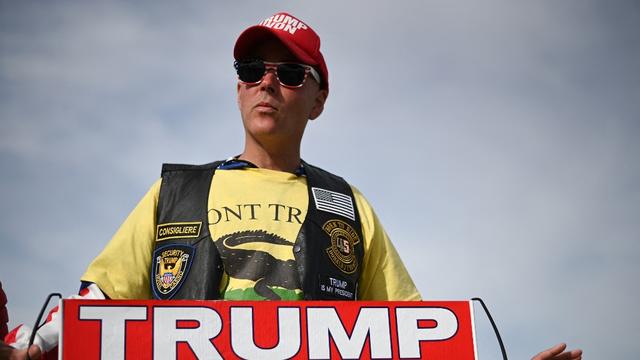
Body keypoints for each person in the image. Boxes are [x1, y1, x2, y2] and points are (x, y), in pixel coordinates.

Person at [1, 12, 581, 360]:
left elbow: (418, 340)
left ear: (318, 98)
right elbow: (95, 307)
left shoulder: (349, 207)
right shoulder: (176, 192)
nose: (267, 84)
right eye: (252, 71)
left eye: (290, 73)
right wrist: (33, 348)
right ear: (238, 89)